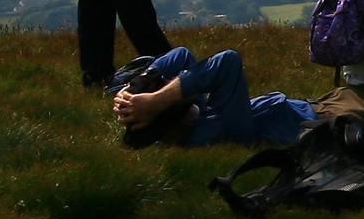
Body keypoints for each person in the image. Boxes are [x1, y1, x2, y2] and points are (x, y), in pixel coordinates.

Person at [111, 45, 315, 149]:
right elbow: (228, 60)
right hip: (313, 119)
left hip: (306, 107)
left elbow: (181, 54)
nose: (168, 84)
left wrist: (131, 89)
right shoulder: (218, 128)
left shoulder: (185, 122)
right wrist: (158, 100)